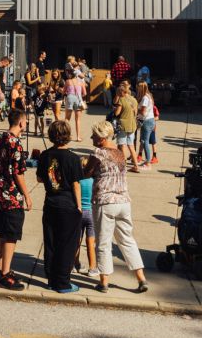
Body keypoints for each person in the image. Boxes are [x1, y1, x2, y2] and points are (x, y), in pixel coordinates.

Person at [85, 120, 148, 294]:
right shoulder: (120, 153)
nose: (91, 137)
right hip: (123, 201)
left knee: (104, 242)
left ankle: (104, 281)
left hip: (105, 201)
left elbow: (86, 172)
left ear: (102, 138)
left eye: (94, 135)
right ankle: (141, 278)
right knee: (127, 240)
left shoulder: (98, 153)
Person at [38, 120, 84, 293]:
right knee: (67, 244)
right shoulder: (73, 158)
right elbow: (76, 184)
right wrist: (79, 206)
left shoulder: (45, 155)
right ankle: (63, 282)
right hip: (68, 204)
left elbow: (40, 178)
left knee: (51, 241)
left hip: (50, 202)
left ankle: (51, 278)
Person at [0, 109, 31, 290]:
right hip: (11, 196)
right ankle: (5, 273)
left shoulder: (1, 139)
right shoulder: (16, 144)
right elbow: (18, 173)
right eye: (26, 121)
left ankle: (1, 269)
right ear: (21, 123)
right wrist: (27, 196)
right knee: (11, 236)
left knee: (3, 233)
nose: (27, 124)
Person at [75, 157, 99, 276]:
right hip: (90, 213)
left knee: (76, 241)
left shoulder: (77, 181)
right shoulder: (93, 181)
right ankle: (92, 267)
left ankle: (75, 264)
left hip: (78, 212)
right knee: (90, 242)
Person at [112, 80, 140, 172]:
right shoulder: (134, 99)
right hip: (132, 125)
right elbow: (136, 112)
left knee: (122, 145)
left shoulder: (121, 100)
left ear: (121, 92)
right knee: (131, 146)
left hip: (123, 125)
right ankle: (136, 166)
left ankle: (123, 165)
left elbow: (117, 113)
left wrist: (116, 109)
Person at [136, 81, 157, 169]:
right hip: (150, 120)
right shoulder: (149, 96)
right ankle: (147, 161)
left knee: (145, 142)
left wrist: (135, 109)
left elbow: (143, 112)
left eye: (137, 87)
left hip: (147, 121)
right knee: (145, 141)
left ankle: (148, 163)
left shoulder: (145, 98)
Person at [64, 68, 87, 142]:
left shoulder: (68, 81)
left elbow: (64, 91)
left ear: (70, 74)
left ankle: (65, 135)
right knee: (78, 120)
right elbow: (85, 93)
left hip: (70, 98)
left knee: (67, 118)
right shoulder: (81, 82)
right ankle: (78, 137)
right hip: (78, 99)